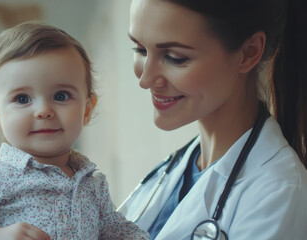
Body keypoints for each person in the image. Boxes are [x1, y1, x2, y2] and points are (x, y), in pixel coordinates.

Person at [0, 22, 149, 240]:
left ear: (87, 109)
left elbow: (115, 230)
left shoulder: (93, 184)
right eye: (23, 99)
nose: (44, 111)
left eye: (61, 96)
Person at [118, 0, 307, 239]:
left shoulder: (276, 194)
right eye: (141, 50)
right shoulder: (173, 172)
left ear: (248, 53)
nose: (145, 79)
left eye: (175, 57)